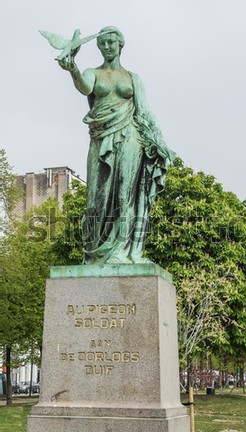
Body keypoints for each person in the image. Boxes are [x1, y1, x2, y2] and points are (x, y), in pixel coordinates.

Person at [58, 26, 175, 264]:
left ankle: (122, 251)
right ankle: (95, 253)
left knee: (125, 195)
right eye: (102, 43)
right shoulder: (93, 73)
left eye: (111, 42)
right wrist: (73, 69)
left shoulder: (133, 78)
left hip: (131, 135)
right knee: (95, 198)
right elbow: (84, 87)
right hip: (101, 136)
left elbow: (145, 112)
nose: (107, 47)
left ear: (120, 45)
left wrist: (160, 143)